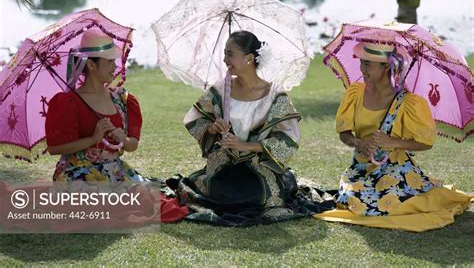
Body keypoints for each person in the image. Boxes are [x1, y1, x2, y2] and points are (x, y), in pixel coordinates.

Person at [168, 30, 334, 226]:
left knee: (254, 193)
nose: (224, 59)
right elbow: (196, 120)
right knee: (223, 193)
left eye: (230, 54)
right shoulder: (222, 89)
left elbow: (287, 139)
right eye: (224, 53)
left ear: (248, 58)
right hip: (224, 162)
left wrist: (245, 145)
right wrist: (213, 128)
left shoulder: (274, 95)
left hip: (258, 164)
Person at [314, 41, 472, 231]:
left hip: (396, 167)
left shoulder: (409, 103)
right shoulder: (355, 93)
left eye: (368, 64)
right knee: (352, 199)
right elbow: (344, 133)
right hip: (361, 167)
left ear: (386, 67)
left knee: (389, 202)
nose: (362, 69)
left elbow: (425, 143)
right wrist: (359, 143)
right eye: (362, 62)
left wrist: (393, 142)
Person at [45, 28, 189, 223]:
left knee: (146, 199)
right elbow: (55, 148)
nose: (115, 66)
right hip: (77, 173)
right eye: (109, 61)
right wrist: (93, 139)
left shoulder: (121, 98)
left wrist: (123, 138)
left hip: (115, 169)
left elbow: (132, 146)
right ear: (91, 65)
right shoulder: (68, 102)